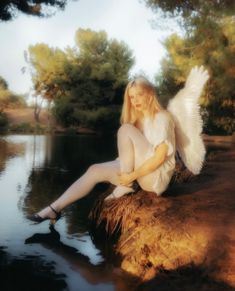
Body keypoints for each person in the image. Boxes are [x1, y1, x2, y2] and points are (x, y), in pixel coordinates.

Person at [27, 77, 177, 225]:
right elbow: (137, 154)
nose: (135, 100)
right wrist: (120, 166)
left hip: (155, 179)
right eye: (132, 97)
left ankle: (126, 186)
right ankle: (54, 208)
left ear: (150, 94)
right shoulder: (138, 120)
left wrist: (131, 176)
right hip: (141, 172)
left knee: (125, 129)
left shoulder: (162, 118)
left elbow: (159, 158)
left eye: (139, 95)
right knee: (94, 170)